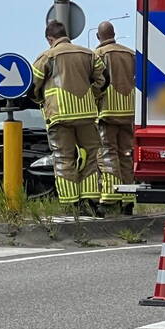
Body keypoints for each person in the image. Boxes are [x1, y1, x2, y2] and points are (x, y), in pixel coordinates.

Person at [31, 21, 107, 216]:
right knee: (91, 155)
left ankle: (71, 204)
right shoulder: (88, 54)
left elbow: (33, 85)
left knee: (63, 158)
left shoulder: (46, 57)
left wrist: (41, 99)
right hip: (86, 114)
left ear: (50, 39)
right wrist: (93, 95)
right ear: (67, 34)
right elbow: (103, 80)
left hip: (59, 116)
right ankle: (90, 200)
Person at [94, 21, 136, 215]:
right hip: (128, 112)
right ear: (114, 34)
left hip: (107, 113)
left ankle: (110, 198)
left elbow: (95, 84)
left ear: (98, 37)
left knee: (107, 154)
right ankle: (128, 200)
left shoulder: (98, 55)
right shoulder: (130, 54)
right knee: (126, 155)